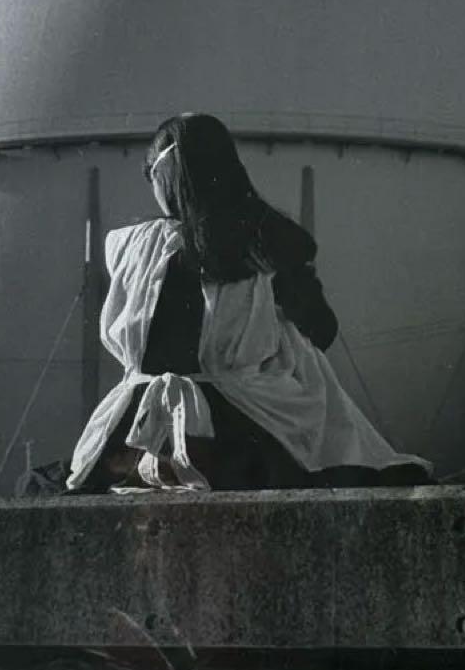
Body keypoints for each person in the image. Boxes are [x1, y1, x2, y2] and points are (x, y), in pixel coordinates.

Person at [65, 113, 433, 493]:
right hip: (241, 426)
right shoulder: (264, 240)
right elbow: (322, 330)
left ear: (167, 177)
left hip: (137, 430)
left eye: (152, 178)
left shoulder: (135, 247)